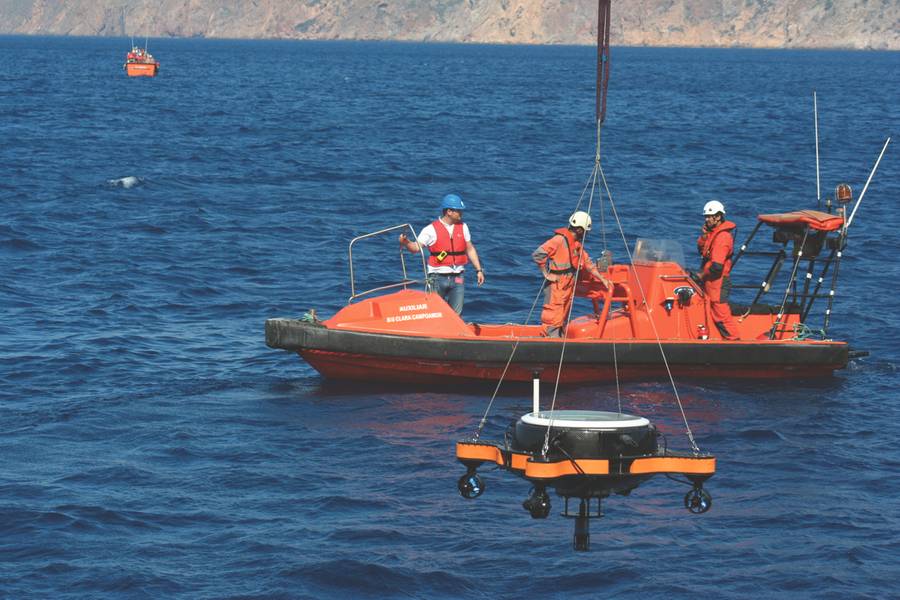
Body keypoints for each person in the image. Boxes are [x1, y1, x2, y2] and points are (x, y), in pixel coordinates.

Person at [399, 193, 484, 314]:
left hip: (458, 277)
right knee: (435, 313)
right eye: (459, 211)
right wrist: (406, 242)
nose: (462, 213)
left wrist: (479, 270)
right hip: (437, 278)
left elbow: (469, 249)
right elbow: (416, 248)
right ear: (449, 211)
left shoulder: (463, 227)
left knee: (456, 315)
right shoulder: (430, 229)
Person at [532, 211, 611, 338]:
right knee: (553, 317)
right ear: (580, 230)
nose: (586, 234)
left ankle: (559, 340)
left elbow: (588, 264)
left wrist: (602, 279)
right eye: (585, 231)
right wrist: (546, 273)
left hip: (568, 285)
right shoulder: (558, 240)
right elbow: (538, 254)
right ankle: (551, 342)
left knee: (562, 318)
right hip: (556, 285)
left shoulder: (576, 246)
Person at [696, 199, 740, 340]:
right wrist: (704, 236)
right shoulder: (712, 234)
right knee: (710, 309)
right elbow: (702, 251)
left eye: (710, 216)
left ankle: (734, 341)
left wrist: (700, 275)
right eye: (706, 217)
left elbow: (716, 266)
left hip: (718, 283)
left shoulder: (723, 237)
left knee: (720, 313)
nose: (707, 219)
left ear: (718, 217)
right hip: (710, 282)